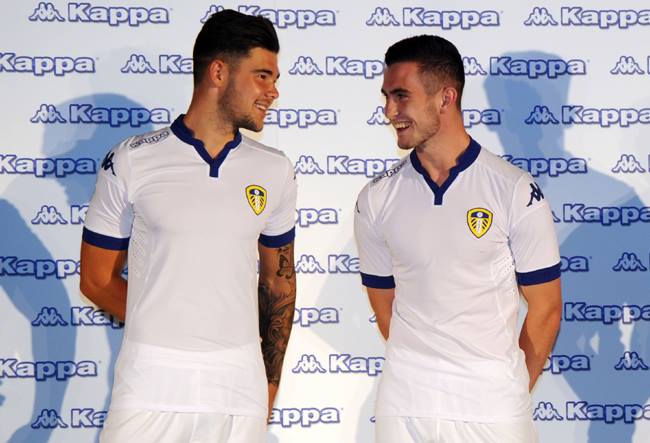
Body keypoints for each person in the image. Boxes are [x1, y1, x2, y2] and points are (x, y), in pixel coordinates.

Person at [79, 10, 297, 443]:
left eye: (274, 78)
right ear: (218, 72)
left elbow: (279, 282)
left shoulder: (275, 170)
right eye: (262, 76)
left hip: (239, 386)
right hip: (149, 382)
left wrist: (269, 384)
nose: (273, 91)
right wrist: (167, 328)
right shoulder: (132, 159)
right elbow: (96, 279)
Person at [354, 35, 562, 443]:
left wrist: (507, 391)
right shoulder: (375, 198)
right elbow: (385, 308)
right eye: (386, 97)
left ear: (446, 97)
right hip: (404, 407)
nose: (389, 111)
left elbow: (546, 309)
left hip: (492, 410)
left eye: (401, 96)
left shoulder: (514, 190)